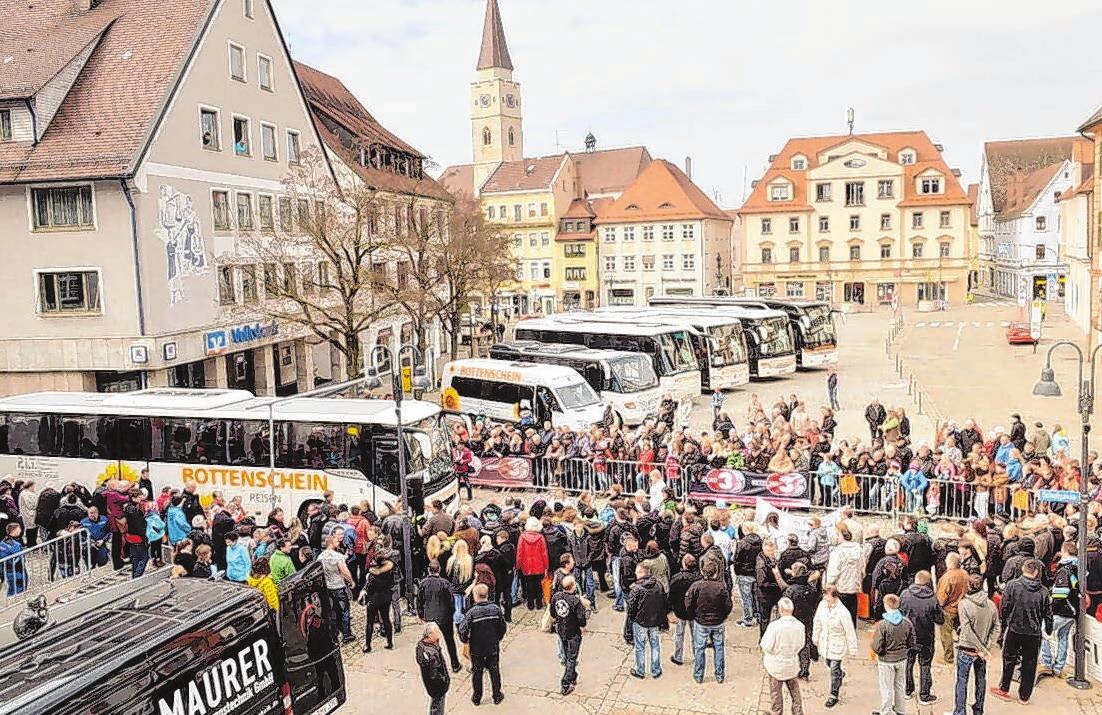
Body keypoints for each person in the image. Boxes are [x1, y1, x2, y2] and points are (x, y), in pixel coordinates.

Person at [991, 559, 1052, 704]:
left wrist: (1004, 622)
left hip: (1014, 629)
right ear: (1036, 572)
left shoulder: (1012, 586)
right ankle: (1024, 696)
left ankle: (1004, 688)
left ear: (1023, 570)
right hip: (1033, 632)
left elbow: (1004, 606)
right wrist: (1048, 629)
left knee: (1009, 659)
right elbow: (1048, 614)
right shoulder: (1043, 591)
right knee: (1030, 663)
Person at [953, 574, 1000, 715]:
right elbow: (997, 628)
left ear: (968, 586)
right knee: (981, 680)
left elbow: (966, 630)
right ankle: (979, 709)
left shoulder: (964, 604)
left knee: (962, 681)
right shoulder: (991, 605)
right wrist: (987, 647)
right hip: (982, 650)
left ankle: (960, 711)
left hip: (967, 649)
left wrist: (980, 649)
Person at [457, 583, 507, 706]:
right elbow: (502, 627)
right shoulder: (495, 609)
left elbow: (462, 630)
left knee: (477, 673)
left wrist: (466, 641)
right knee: (494, 671)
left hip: (476, 648)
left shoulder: (472, 613)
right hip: (492, 646)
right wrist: (497, 638)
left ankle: (477, 697)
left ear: (475, 596)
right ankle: (496, 695)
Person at [899, 570, 942, 705]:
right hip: (926, 637)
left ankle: (907, 690)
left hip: (908, 636)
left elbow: (899, 613)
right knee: (925, 665)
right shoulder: (933, 599)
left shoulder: (905, 594)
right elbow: (940, 620)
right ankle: (924, 694)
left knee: (908, 662)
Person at [685, 559, 732, 684]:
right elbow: (728, 605)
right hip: (717, 622)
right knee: (719, 648)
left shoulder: (697, 586)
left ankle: (699, 675)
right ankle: (720, 675)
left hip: (701, 622)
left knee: (699, 648)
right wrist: (723, 616)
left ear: (702, 571)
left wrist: (693, 614)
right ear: (716, 572)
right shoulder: (721, 587)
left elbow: (688, 603)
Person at [812, 585, 858, 709]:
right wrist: (815, 637)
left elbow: (849, 631)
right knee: (828, 663)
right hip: (825, 642)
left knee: (833, 667)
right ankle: (839, 674)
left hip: (837, 643)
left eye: (827, 597)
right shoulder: (822, 606)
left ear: (835, 597)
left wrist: (853, 648)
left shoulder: (843, 612)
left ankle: (834, 694)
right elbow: (817, 621)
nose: (825, 599)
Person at [871, 593, 915, 715]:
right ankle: (900, 710)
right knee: (900, 685)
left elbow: (877, 646)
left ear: (886, 605)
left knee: (886, 687)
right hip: (901, 658)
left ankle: (886, 711)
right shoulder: (907, 622)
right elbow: (912, 642)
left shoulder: (883, 625)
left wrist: (879, 652)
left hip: (886, 660)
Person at [760, 597, 805, 715]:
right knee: (794, 690)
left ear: (780, 610)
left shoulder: (774, 627)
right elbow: (801, 645)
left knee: (775, 692)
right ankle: (798, 711)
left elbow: (766, 645)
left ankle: (776, 712)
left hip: (776, 666)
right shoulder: (800, 626)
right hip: (791, 664)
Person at [418, 561, 462, 673]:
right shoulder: (445, 583)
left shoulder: (423, 583)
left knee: (431, 642)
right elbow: (451, 602)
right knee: (449, 641)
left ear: (429, 570)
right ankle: (455, 663)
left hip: (430, 616)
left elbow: (419, 600)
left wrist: (421, 614)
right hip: (444, 616)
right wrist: (451, 613)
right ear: (439, 570)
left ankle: (435, 665)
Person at [549, 574, 588, 696]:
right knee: (572, 658)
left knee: (567, 654)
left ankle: (573, 675)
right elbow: (581, 619)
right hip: (573, 632)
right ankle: (565, 683)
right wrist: (583, 626)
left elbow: (553, 612)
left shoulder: (556, 596)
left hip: (561, 629)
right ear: (573, 586)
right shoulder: (575, 601)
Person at [627, 562, 667, 679]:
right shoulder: (659, 585)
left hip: (641, 622)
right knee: (655, 645)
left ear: (640, 573)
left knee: (640, 646)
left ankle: (640, 670)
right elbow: (664, 602)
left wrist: (632, 618)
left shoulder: (637, 589)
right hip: (654, 621)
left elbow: (631, 607)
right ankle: (656, 670)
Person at [318, 533, 355, 643]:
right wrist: (351, 581)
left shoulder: (320, 557)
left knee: (333, 611)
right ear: (331, 543)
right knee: (344, 610)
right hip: (339, 586)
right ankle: (347, 634)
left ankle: (334, 634)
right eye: (337, 541)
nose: (338, 543)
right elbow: (344, 571)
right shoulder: (336, 556)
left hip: (329, 587)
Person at [824, 526, 864, 626]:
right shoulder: (858, 549)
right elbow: (863, 567)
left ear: (841, 536)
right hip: (854, 587)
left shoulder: (838, 551)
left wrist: (829, 583)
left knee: (840, 615)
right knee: (852, 614)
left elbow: (833, 570)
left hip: (841, 587)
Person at [668, 553, 702, 666]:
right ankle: (697, 656)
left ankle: (678, 657)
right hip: (694, 611)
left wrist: (670, 610)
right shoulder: (699, 579)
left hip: (680, 611)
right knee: (696, 635)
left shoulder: (677, 578)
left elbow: (671, 596)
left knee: (679, 634)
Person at [937, 552, 970, 664]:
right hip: (963, 607)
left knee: (946, 634)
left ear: (950, 563)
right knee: (962, 630)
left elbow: (942, 598)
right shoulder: (965, 574)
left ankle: (949, 657)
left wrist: (938, 608)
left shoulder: (947, 577)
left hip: (949, 610)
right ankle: (966, 651)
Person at [363, 547, 396, 653]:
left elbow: (369, 586)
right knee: (386, 619)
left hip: (374, 598)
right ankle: (390, 642)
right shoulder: (389, 570)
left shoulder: (373, 573)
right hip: (386, 596)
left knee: (370, 622)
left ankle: (368, 645)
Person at [416, 622, 451, 715]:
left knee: (435, 704)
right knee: (438, 705)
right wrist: (444, 681)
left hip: (431, 686)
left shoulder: (422, 645)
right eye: (437, 632)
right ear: (430, 635)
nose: (439, 633)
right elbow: (434, 674)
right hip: (437, 687)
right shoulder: (431, 653)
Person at [516, 517, 548, 610]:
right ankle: (539, 604)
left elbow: (519, 553)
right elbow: (544, 553)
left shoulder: (522, 537)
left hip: (526, 565)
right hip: (539, 565)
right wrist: (546, 566)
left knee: (529, 585)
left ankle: (530, 604)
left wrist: (518, 565)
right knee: (538, 585)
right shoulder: (541, 537)